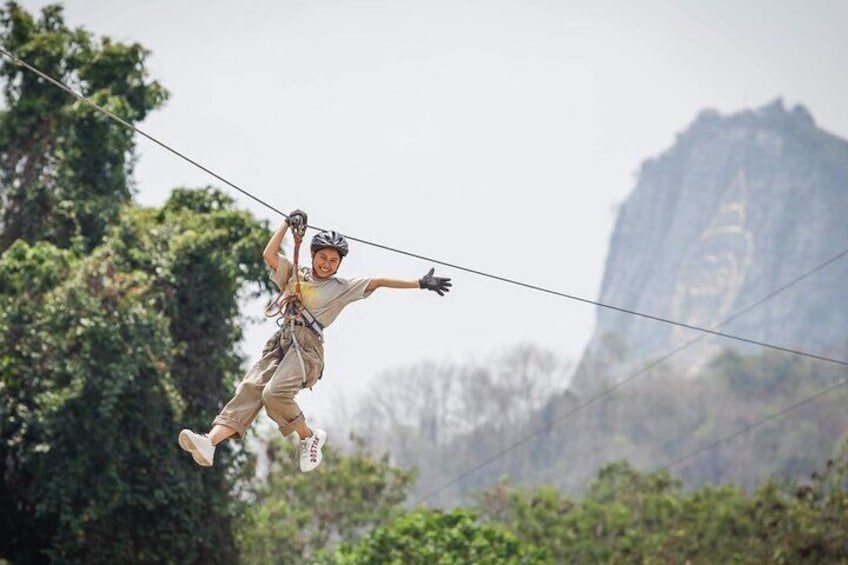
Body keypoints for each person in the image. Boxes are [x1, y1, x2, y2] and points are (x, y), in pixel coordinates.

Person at [178, 209, 451, 472]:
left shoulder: (340, 288)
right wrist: (287, 224)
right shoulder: (296, 274)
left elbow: (378, 281)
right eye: (323, 258)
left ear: (340, 264)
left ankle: (309, 437)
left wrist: (419, 283)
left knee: (273, 394)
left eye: (334, 261)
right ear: (313, 255)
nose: (327, 264)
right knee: (251, 388)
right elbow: (269, 254)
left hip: (306, 349)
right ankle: (210, 441)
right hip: (281, 341)